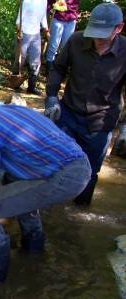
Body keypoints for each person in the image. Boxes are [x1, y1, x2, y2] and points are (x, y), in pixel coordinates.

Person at [0, 84, 90, 285]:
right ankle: (33, 248)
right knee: (12, 181)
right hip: (79, 164)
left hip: (64, 176)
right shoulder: (6, 109)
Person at [45, 2, 126, 206]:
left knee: (89, 171)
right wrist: (52, 97)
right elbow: (57, 68)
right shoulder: (76, 40)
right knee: (53, 160)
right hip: (69, 113)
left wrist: (124, 128)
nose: (98, 39)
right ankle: (47, 207)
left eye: (103, 34)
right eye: (95, 33)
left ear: (119, 28)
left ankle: (79, 212)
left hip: (101, 121)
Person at [12, 0, 50, 95]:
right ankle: (15, 83)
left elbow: (43, 17)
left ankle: (32, 87)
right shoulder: (26, 1)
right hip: (24, 33)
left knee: (36, 62)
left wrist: (46, 29)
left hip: (36, 34)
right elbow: (18, 20)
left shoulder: (44, 1)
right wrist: (19, 30)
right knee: (21, 58)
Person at [46, 0, 80, 69]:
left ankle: (62, 63)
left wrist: (65, 5)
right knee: (54, 43)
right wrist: (52, 8)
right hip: (58, 18)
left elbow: (76, 4)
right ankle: (50, 62)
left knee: (66, 44)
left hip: (71, 19)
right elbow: (49, 3)